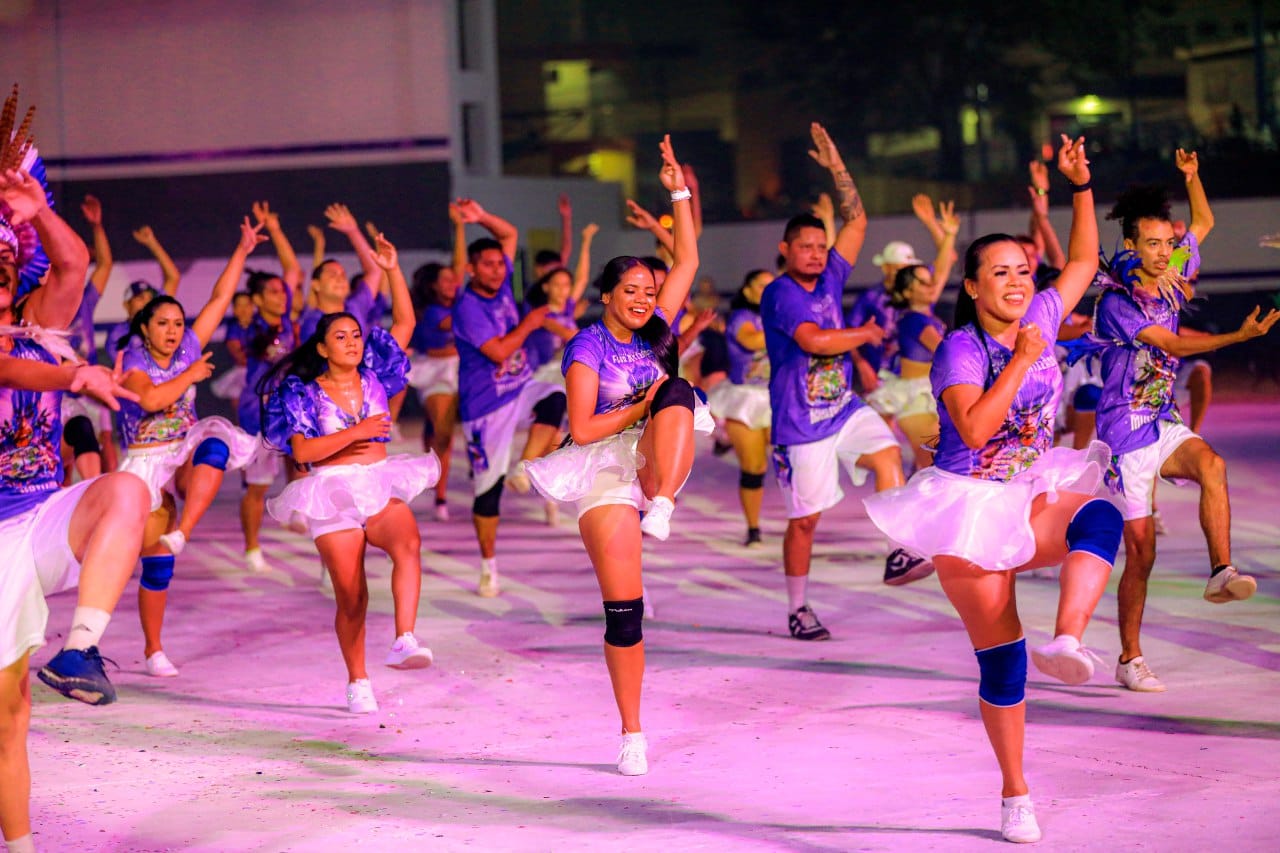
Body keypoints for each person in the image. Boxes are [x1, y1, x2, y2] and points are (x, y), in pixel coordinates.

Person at [864, 135, 1116, 844]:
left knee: (1101, 515)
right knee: (1003, 662)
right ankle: (1015, 792)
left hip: (1028, 490)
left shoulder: (1039, 316)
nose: (1016, 282)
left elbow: (1085, 261)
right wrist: (1024, 361)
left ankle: (1067, 639)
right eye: (999, 273)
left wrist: (1080, 186)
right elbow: (974, 429)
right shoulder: (960, 348)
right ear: (972, 288)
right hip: (967, 506)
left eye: (1023, 271)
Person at [526, 135, 707, 776]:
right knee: (625, 612)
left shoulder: (658, 330)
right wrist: (643, 402)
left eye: (649, 290)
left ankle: (663, 504)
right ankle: (632, 731)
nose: (643, 298)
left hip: (652, 458)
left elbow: (687, 258)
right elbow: (581, 426)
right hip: (600, 463)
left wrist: (677, 192)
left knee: (680, 390)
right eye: (631, 289)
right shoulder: (587, 346)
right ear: (607, 295)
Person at [0, 120, 150, 852]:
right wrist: (73, 375)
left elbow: (74, 264)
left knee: (127, 491)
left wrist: (37, 209)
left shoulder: (37, 325)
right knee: (8, 714)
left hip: (39, 516)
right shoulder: (33, 355)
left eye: (6, 252)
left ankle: (82, 649)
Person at [1091, 152, 1279, 693]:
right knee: (1142, 554)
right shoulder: (1117, 303)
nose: (1164, 251)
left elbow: (1204, 222)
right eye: (1152, 243)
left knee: (1211, 464)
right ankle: (1130, 658)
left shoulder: (1172, 268)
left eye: (1168, 242)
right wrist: (1238, 338)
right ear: (1131, 246)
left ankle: (1221, 572)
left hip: (1161, 418)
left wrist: (1192, 178)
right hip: (1123, 433)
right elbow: (1171, 344)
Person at [762, 123, 931, 643]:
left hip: (843, 408)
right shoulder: (780, 293)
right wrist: (865, 333)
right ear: (786, 249)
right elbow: (814, 341)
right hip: (800, 424)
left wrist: (836, 166)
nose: (816, 253)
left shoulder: (832, 275)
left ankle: (898, 551)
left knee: (888, 455)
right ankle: (798, 608)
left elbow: (857, 219)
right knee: (805, 522)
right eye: (805, 246)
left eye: (821, 245)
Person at [263, 233, 438, 714]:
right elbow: (303, 451)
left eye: (356, 335)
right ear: (322, 347)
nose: (353, 342)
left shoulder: (376, 374)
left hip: (377, 479)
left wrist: (393, 269)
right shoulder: (302, 391)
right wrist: (357, 431)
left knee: (408, 543)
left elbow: (405, 322)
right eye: (341, 337)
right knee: (352, 596)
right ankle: (357, 679)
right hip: (330, 491)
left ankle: (404, 638)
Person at [116, 217, 265, 677]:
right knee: (154, 565)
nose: (173, 331)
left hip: (182, 448)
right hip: (145, 461)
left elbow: (220, 298)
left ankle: (185, 529)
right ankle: (152, 649)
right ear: (144, 327)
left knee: (216, 440)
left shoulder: (187, 348)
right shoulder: (133, 357)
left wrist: (242, 249)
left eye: (178, 323)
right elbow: (150, 400)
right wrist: (190, 375)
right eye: (163, 323)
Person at [451, 199, 566, 596]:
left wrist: (480, 216)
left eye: (500, 264)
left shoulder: (502, 288)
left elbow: (509, 234)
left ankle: (525, 465)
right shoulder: (468, 307)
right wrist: (531, 323)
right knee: (488, 491)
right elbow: (499, 352)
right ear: (471, 269)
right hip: (485, 406)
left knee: (554, 396)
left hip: (520, 387)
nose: (498, 270)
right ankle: (489, 567)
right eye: (487, 265)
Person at [865, 199, 960, 470]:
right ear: (908, 290)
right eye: (924, 282)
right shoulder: (913, 319)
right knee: (932, 467)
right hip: (913, 395)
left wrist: (946, 234)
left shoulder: (923, 311)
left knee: (930, 467)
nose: (933, 283)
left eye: (930, 281)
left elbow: (942, 268)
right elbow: (946, 351)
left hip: (924, 392)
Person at [236, 203, 304, 572]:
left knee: (305, 458)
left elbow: (293, 269)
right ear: (258, 300)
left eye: (283, 292)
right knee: (258, 485)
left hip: (288, 406)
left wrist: (276, 229)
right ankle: (252, 548)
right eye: (273, 292)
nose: (281, 296)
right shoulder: (250, 323)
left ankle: (298, 511)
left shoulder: (287, 320)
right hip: (258, 411)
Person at [705, 269, 774, 546]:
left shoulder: (780, 314)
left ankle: (801, 522)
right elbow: (752, 340)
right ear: (747, 290)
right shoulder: (741, 317)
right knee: (754, 467)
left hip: (778, 396)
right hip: (746, 399)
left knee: (790, 460)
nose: (768, 291)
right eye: (762, 286)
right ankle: (753, 528)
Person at [60, 194, 118, 479]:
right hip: (59, 390)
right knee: (64, 461)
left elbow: (105, 265)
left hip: (91, 389)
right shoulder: (40, 307)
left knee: (105, 447)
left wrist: (97, 226)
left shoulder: (84, 301)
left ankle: (102, 492)